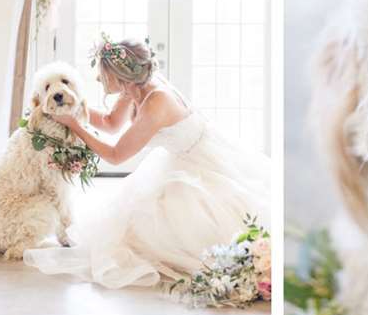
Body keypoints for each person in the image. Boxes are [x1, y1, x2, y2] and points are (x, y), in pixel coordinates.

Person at [23, 35, 269, 290]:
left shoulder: (156, 101)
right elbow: (109, 122)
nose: (98, 78)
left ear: (120, 76)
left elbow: (117, 155)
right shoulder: (135, 88)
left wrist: (74, 125)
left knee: (170, 238)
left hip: (200, 164)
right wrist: (72, 109)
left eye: (103, 73)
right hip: (176, 158)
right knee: (126, 229)